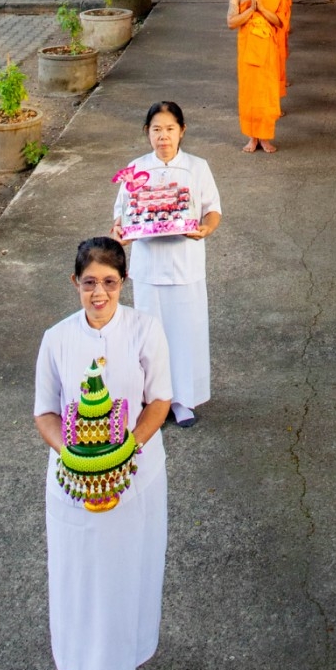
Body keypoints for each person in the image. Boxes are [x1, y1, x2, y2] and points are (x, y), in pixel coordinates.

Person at [34, 236, 173, 670]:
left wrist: (125, 451)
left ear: (123, 282)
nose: (99, 293)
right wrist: (76, 457)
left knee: (128, 571)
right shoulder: (57, 338)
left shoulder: (145, 330)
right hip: (75, 483)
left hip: (137, 476)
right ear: (75, 282)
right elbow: (45, 412)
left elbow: (159, 400)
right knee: (82, 576)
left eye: (109, 283)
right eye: (89, 282)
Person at [115, 102, 222, 428]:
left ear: (182, 131)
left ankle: (183, 400)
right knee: (149, 337)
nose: (163, 136)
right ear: (147, 132)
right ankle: (154, 402)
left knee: (185, 333)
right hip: (148, 266)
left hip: (185, 264)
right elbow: (121, 213)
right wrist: (121, 232)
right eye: (157, 130)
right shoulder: (135, 169)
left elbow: (212, 209)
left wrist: (205, 228)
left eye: (170, 129)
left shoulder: (197, 167)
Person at [228, 0, 282, 151]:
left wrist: (263, 9)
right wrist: (251, 10)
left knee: (266, 94)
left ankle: (265, 137)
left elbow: (279, 22)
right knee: (249, 94)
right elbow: (231, 22)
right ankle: (252, 137)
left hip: (267, 52)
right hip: (248, 52)